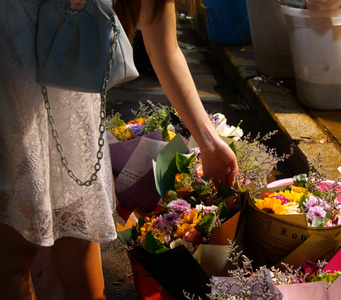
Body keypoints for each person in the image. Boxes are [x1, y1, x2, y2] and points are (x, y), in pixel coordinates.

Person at [0, 0, 238, 299]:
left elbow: (164, 48)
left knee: (79, 238)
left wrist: (209, 141)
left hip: (72, 119)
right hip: (11, 106)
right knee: (15, 254)